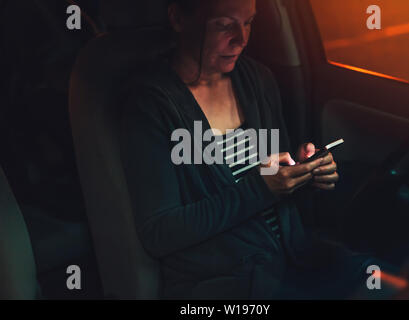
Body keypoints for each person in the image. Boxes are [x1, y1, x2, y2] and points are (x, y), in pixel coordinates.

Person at [119, 0, 377, 299]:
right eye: (223, 25)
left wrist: (304, 174)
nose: (241, 38)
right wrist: (263, 188)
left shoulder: (256, 80)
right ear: (178, 18)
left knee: (386, 279)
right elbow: (160, 233)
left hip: (295, 257)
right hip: (224, 282)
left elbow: (270, 180)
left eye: (249, 22)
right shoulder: (152, 106)